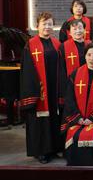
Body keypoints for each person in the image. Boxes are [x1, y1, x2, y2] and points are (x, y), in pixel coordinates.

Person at [20, 12, 62, 164]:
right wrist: (33, 91)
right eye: (44, 24)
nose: (47, 27)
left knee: (53, 119)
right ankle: (42, 152)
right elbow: (27, 70)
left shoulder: (57, 44)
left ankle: (53, 148)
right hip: (38, 90)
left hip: (54, 88)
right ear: (38, 26)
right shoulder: (30, 44)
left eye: (50, 24)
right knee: (40, 121)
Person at [58, 19, 88, 99]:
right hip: (70, 83)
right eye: (74, 29)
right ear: (70, 33)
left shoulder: (90, 45)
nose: (78, 31)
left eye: (80, 28)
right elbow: (62, 69)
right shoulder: (63, 47)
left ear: (84, 30)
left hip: (88, 82)